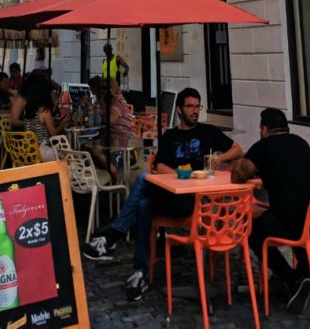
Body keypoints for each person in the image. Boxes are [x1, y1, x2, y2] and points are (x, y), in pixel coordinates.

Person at [83, 87, 243, 301]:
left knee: (142, 187)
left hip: (194, 201)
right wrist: (181, 175)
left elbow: (238, 149)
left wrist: (220, 159)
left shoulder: (208, 132)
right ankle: (140, 273)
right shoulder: (170, 136)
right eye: (190, 106)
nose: (195, 111)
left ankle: (115, 236)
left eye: (198, 106)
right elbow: (159, 167)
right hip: (171, 196)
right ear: (180, 110)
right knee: (143, 204)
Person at [231, 106, 310, 315]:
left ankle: (290, 280)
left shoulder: (263, 147)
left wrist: (247, 170)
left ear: (264, 129)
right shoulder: (301, 143)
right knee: (298, 221)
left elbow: (237, 175)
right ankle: (306, 276)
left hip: (290, 222)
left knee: (252, 231)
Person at [11, 76, 67, 161]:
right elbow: (53, 133)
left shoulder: (27, 109)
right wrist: (63, 123)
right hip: (41, 151)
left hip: (27, 150)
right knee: (69, 156)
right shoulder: (44, 110)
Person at [86, 79, 134, 177]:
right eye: (102, 88)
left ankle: (114, 172)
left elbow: (109, 120)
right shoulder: (111, 101)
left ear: (114, 89)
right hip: (111, 136)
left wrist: (101, 105)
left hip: (120, 138)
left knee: (94, 150)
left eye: (107, 88)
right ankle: (104, 175)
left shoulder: (117, 101)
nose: (103, 90)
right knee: (87, 147)